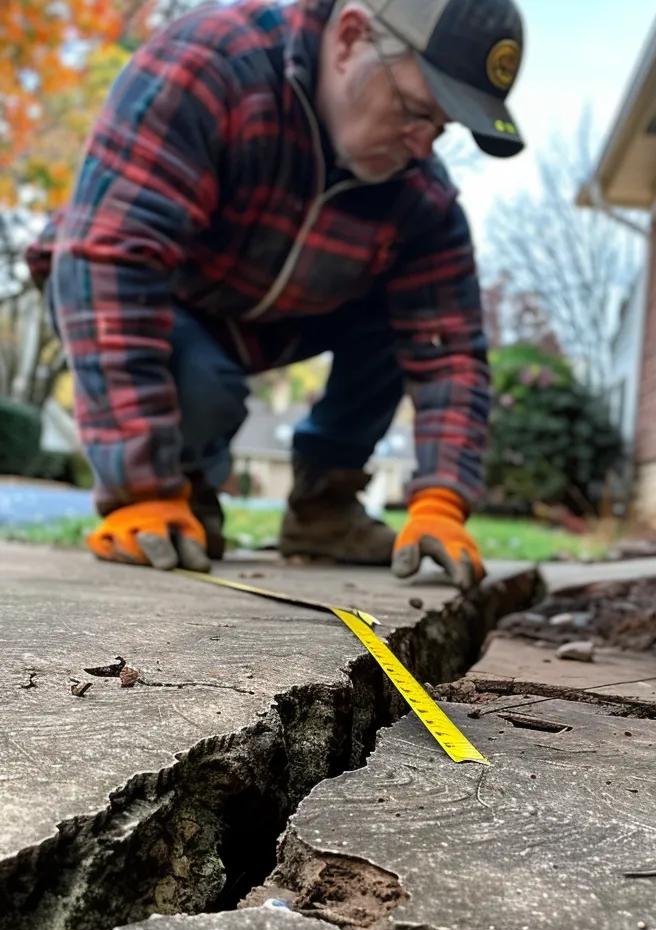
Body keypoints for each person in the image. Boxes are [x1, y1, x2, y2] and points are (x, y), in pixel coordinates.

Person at [26, 0, 526, 590]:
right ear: (350, 38)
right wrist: (142, 489)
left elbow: (450, 351)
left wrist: (442, 500)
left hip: (270, 315)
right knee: (207, 389)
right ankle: (181, 487)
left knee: (412, 310)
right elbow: (109, 260)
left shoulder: (420, 199)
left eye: (440, 129)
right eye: (416, 111)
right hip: (153, 295)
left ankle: (324, 507)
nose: (422, 146)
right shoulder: (211, 67)